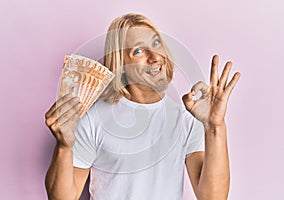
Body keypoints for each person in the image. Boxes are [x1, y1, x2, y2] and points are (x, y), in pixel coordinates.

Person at [45, 13, 240, 200]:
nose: (155, 57)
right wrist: (63, 147)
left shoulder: (187, 119)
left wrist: (215, 126)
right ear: (121, 64)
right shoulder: (94, 119)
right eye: (138, 50)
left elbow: (213, 197)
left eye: (156, 43)